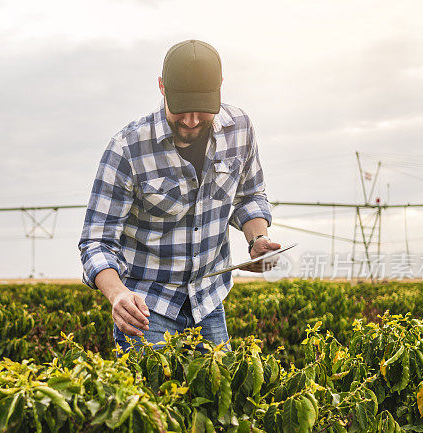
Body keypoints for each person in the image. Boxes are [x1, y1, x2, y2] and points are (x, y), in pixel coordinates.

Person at [78, 39, 281, 354]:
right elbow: (97, 241)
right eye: (182, 109)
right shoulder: (127, 148)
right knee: (152, 401)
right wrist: (118, 295)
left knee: (215, 399)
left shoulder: (239, 129)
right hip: (147, 308)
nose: (191, 121)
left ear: (220, 88)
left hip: (208, 301)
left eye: (203, 110)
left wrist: (258, 240)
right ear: (162, 87)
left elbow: (249, 195)